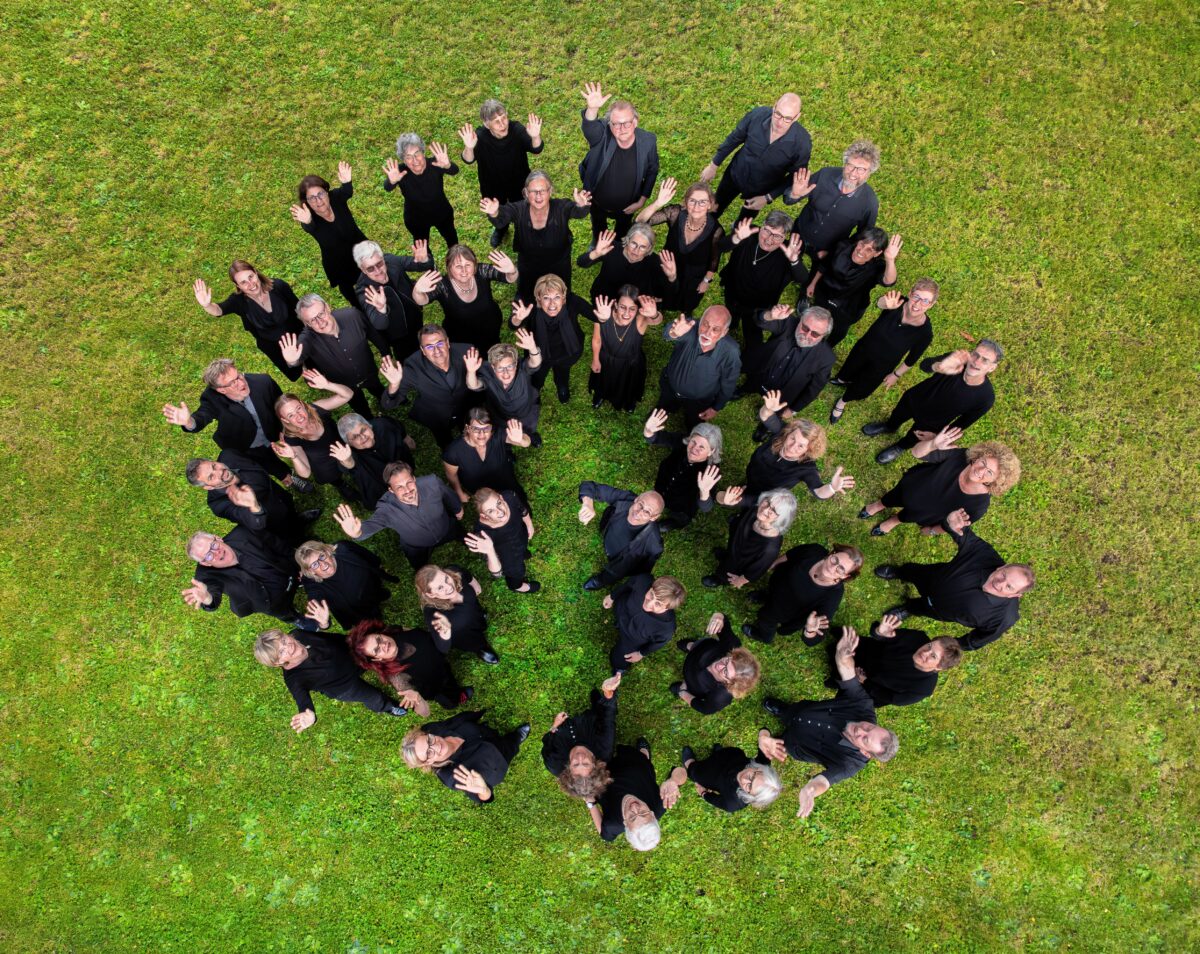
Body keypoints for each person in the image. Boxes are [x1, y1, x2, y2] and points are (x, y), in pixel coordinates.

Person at [759, 629, 898, 818]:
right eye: (869, 727)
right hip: (803, 711)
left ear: (866, 753)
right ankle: (781, 710)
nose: (861, 730)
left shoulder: (851, 764)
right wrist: (842, 655)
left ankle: (778, 736)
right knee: (790, 712)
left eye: (864, 739)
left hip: (798, 745)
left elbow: (824, 781)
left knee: (779, 743)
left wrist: (810, 790)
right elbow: (848, 673)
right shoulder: (863, 706)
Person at [874, 512, 1035, 650]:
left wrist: (953, 646)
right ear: (1002, 567)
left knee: (922, 608)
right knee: (911, 571)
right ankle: (898, 572)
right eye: (1003, 575)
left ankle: (908, 609)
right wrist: (952, 523)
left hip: (940, 610)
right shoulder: (984, 556)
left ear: (1016, 595)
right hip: (932, 576)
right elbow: (964, 534)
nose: (999, 583)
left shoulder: (1004, 618)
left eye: (1009, 587)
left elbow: (977, 640)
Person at [162, 358, 308, 491]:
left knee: (296, 447)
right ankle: (287, 477)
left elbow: (280, 404)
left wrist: (283, 428)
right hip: (246, 443)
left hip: (272, 429)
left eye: (238, 376)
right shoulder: (212, 399)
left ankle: (307, 463)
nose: (241, 383)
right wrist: (189, 422)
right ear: (221, 390)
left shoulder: (263, 382)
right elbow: (202, 416)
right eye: (232, 383)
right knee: (267, 462)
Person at [862, 340, 1003, 464]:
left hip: (932, 423)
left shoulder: (985, 398)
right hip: (915, 398)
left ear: (992, 367)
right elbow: (924, 365)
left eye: (985, 360)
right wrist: (939, 366)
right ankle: (890, 426)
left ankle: (900, 447)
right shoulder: (956, 360)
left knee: (914, 437)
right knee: (897, 415)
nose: (976, 362)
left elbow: (962, 423)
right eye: (975, 355)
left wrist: (937, 436)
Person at [860, 427, 1020, 536]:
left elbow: (955, 525)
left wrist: (933, 531)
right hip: (911, 487)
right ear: (978, 457)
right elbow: (916, 453)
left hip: (922, 513)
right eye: (983, 462)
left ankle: (894, 521)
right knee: (892, 497)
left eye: (989, 472)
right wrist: (932, 444)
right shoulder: (961, 456)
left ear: (995, 480)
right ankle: (879, 505)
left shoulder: (979, 505)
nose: (980, 470)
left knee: (907, 516)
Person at [253, 623, 407, 734]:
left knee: (376, 655)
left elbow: (328, 638)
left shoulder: (298, 634)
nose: (288, 647)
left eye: (284, 641)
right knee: (373, 697)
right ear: (278, 663)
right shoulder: (294, 679)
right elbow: (302, 701)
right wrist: (309, 715)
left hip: (347, 654)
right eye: (281, 652)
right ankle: (388, 707)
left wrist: (346, 638)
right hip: (345, 686)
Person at [829, 282, 935, 426]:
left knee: (862, 387)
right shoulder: (896, 301)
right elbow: (880, 303)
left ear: (931, 305)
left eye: (925, 301)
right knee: (849, 368)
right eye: (916, 296)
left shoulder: (925, 333)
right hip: (863, 349)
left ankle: (842, 401)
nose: (918, 303)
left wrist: (895, 375)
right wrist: (884, 304)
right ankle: (843, 380)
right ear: (910, 294)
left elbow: (911, 359)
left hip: (882, 366)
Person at [481, 171, 592, 301]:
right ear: (526, 193)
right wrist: (494, 213)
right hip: (528, 264)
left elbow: (577, 212)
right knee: (527, 295)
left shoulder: (561, 207)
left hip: (559, 263)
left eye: (543, 191)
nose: (538, 196)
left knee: (559, 296)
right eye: (533, 191)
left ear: (550, 191)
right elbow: (501, 220)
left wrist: (581, 205)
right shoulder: (519, 209)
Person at [701, 93, 812, 220]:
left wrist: (767, 197)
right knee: (714, 209)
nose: (780, 122)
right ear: (774, 106)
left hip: (761, 189)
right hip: (735, 174)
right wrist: (713, 165)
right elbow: (734, 139)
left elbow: (795, 177)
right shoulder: (757, 116)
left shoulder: (802, 143)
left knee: (743, 223)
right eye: (778, 114)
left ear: (797, 117)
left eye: (787, 118)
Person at [333, 461, 464, 569]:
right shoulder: (386, 509)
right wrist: (357, 533)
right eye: (399, 487)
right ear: (391, 490)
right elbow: (372, 524)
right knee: (420, 566)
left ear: (414, 479)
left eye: (409, 482)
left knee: (462, 534)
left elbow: (448, 494)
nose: (407, 490)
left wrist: (457, 508)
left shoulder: (432, 482)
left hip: (446, 527)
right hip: (416, 546)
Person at [280, 293, 386, 418]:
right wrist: (292, 361)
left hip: (369, 371)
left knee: (377, 388)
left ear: (327, 307)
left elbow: (372, 333)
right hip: (344, 384)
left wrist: (385, 353)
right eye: (312, 320)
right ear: (306, 324)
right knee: (359, 405)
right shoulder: (307, 338)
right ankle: (367, 417)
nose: (320, 322)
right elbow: (297, 357)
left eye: (321, 314)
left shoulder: (353, 316)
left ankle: (384, 399)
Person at [578, 82, 659, 242]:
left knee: (622, 231)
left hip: (628, 207)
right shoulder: (603, 136)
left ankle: (618, 246)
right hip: (597, 202)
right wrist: (592, 110)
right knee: (598, 227)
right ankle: (597, 244)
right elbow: (590, 130)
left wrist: (641, 201)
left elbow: (652, 170)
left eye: (626, 123)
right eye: (616, 124)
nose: (622, 128)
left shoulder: (648, 141)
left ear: (635, 122)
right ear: (610, 125)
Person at [182, 527, 310, 627]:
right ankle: (294, 618)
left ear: (218, 538)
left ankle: (299, 582)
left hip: (288, 575)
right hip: (268, 602)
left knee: (302, 579)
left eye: (213, 546)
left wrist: (297, 567)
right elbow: (212, 592)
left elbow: (280, 547)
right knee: (283, 612)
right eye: (208, 556)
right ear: (205, 563)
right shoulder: (205, 575)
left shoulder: (244, 533)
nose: (216, 552)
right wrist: (207, 598)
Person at [192, 262, 302, 378]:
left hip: (298, 334)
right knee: (296, 372)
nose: (251, 284)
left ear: (256, 272)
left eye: (251, 277)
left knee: (312, 362)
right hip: (273, 346)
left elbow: (299, 308)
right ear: (238, 286)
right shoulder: (238, 301)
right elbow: (219, 310)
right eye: (243, 282)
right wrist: (207, 305)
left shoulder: (279, 286)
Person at [725, 405, 855, 503]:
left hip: (767, 494)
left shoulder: (806, 468)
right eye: (793, 439)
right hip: (753, 471)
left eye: (801, 446)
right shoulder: (782, 431)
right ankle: (748, 486)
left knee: (752, 504)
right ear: (788, 433)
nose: (792, 447)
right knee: (750, 483)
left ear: (809, 449)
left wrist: (831, 488)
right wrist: (768, 408)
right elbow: (766, 416)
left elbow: (818, 491)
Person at [185, 451, 319, 546]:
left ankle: (298, 519)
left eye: (214, 466)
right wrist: (254, 506)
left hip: (280, 497)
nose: (220, 472)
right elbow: (255, 523)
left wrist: (282, 475)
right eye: (211, 477)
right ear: (208, 487)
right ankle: (303, 541)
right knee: (290, 535)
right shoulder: (218, 505)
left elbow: (259, 461)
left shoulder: (229, 455)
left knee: (291, 513)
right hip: (273, 521)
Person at [458, 101, 544, 247]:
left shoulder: (516, 129)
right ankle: (501, 228)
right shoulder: (480, 136)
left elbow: (536, 149)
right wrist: (469, 147)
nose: (502, 124)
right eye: (496, 121)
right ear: (487, 124)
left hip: (519, 182)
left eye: (503, 117)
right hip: (492, 186)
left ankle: (523, 230)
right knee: (496, 212)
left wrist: (535, 136)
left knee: (524, 211)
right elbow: (468, 159)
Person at [717, 212, 808, 347]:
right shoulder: (748, 234)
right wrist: (737, 237)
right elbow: (721, 246)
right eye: (767, 231)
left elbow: (802, 278)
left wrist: (794, 260)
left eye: (777, 236)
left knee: (753, 340)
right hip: (734, 293)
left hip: (758, 307)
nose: (769, 240)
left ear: (785, 237)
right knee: (730, 318)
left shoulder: (787, 252)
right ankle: (733, 325)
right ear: (762, 225)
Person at [743, 543, 863, 645]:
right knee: (770, 594)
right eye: (835, 560)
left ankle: (764, 636)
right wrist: (771, 566)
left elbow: (814, 639)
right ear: (832, 553)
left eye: (841, 569)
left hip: (782, 612)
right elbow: (790, 555)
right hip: (776, 587)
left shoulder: (833, 595)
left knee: (765, 618)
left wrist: (810, 630)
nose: (832, 568)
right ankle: (764, 597)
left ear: (845, 576)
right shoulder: (814, 551)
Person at [401, 711, 531, 804]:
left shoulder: (431, 729)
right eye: (429, 753)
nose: (436, 746)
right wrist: (484, 790)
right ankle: (516, 738)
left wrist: (475, 715)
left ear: (427, 734)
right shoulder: (451, 776)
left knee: (490, 732)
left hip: (482, 733)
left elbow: (453, 721)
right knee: (510, 745)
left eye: (429, 740)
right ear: (427, 763)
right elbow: (481, 796)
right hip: (496, 758)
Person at [784, 140, 881, 264]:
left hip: (828, 250)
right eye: (850, 165)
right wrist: (794, 195)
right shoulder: (824, 175)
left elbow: (863, 237)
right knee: (786, 265)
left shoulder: (870, 203)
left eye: (861, 169)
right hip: (799, 233)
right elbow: (788, 200)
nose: (853, 173)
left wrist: (839, 251)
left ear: (869, 173)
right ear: (845, 163)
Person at [348, 618, 473, 714]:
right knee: (448, 695)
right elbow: (425, 713)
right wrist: (417, 698)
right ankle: (455, 700)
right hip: (436, 684)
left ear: (380, 633)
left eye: (379, 639)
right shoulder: (397, 676)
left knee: (448, 674)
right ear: (376, 659)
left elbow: (412, 632)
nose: (384, 645)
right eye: (377, 650)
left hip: (440, 662)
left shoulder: (393, 630)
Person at [636, 178, 724, 313]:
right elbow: (640, 222)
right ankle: (661, 308)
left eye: (702, 202)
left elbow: (714, 259)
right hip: (668, 266)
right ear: (686, 202)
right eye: (692, 201)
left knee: (687, 301)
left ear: (710, 204)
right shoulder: (675, 213)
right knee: (664, 291)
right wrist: (658, 203)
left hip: (693, 277)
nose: (696, 206)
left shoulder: (716, 231)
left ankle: (684, 311)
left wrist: (706, 280)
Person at [380, 324, 475, 447]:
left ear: (447, 343)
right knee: (445, 441)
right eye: (429, 347)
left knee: (468, 431)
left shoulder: (467, 352)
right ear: (423, 350)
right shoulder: (413, 368)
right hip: (436, 416)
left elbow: (484, 377)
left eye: (440, 343)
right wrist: (394, 385)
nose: (436, 351)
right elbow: (387, 404)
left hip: (465, 407)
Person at [510, 274, 595, 404]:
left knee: (563, 372)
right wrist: (518, 319)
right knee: (537, 377)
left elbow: (594, 315)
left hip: (566, 351)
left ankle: (562, 386)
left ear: (563, 297)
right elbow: (512, 325)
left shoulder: (572, 301)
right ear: (539, 298)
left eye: (557, 297)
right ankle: (535, 392)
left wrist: (603, 316)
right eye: (546, 298)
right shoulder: (531, 307)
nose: (552, 304)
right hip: (539, 353)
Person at [806, 229, 900, 347]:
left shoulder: (876, 267)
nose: (861, 250)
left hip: (848, 308)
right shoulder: (842, 247)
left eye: (869, 250)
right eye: (862, 244)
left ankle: (824, 348)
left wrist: (890, 260)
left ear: (877, 254)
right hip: (825, 293)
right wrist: (813, 284)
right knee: (817, 317)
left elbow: (889, 281)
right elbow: (824, 265)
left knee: (837, 331)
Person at [290, 164, 367, 306]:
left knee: (376, 274)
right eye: (312, 198)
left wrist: (347, 182)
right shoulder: (310, 218)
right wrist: (307, 221)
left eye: (320, 194)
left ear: (326, 191)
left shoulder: (335, 197)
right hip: (339, 262)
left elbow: (347, 192)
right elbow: (309, 226)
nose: (318, 201)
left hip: (360, 248)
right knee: (350, 291)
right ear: (306, 202)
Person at [741, 305, 835, 420]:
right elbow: (759, 320)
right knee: (750, 384)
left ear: (823, 336)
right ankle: (746, 389)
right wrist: (770, 315)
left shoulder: (826, 359)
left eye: (815, 334)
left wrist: (793, 410)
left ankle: (765, 421)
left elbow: (813, 389)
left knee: (771, 417)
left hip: (782, 394)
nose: (807, 335)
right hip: (760, 374)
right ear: (800, 320)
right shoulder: (789, 322)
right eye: (805, 328)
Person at [850, 613, 964, 707]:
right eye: (929, 646)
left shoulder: (923, 688)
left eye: (933, 656)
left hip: (868, 682)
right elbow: (882, 636)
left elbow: (893, 698)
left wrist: (865, 682)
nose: (925, 652)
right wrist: (879, 632)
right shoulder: (917, 638)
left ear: (938, 667)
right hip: (864, 651)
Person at [352, 239, 438, 362]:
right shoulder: (364, 290)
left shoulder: (391, 260)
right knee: (408, 360)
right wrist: (381, 309)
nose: (378, 271)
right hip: (398, 335)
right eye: (370, 269)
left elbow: (422, 264)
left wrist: (424, 260)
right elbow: (379, 324)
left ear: (383, 258)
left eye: (379, 264)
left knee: (422, 342)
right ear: (363, 269)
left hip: (415, 317)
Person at [591, 738, 685, 850]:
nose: (634, 807)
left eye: (632, 817)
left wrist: (590, 802)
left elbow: (604, 834)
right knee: (640, 759)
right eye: (643, 813)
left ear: (625, 824)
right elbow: (681, 772)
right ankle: (644, 755)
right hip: (633, 765)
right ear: (652, 815)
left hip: (601, 777)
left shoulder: (614, 825)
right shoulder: (660, 805)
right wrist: (674, 780)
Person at [657, 307, 742, 427]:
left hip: (699, 402)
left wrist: (716, 407)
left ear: (724, 332)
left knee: (693, 424)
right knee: (664, 406)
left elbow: (729, 383)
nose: (707, 333)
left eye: (716, 329)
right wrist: (674, 333)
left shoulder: (731, 352)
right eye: (705, 324)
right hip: (670, 388)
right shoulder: (689, 327)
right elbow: (667, 333)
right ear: (700, 320)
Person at [543, 674, 622, 801]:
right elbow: (608, 717)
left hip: (563, 730)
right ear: (595, 764)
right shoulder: (604, 749)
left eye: (575, 764)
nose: (579, 757)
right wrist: (608, 693)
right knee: (599, 709)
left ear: (568, 769)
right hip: (588, 723)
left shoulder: (554, 763)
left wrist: (555, 726)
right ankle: (596, 703)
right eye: (585, 763)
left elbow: (547, 743)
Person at [425, 245, 518, 353]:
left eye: (468, 265)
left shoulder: (482, 271)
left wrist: (512, 271)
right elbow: (422, 300)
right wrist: (417, 291)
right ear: (449, 268)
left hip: (490, 327)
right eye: (458, 266)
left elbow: (510, 278)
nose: (464, 271)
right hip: (460, 336)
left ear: (474, 265)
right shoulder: (442, 285)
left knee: (491, 352)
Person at [641, 409, 722, 531]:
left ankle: (678, 521)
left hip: (682, 505)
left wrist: (704, 491)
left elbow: (706, 507)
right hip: (662, 486)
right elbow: (656, 438)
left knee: (681, 516)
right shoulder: (683, 442)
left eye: (702, 447)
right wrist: (648, 431)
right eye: (693, 442)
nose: (694, 449)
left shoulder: (711, 471)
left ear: (711, 451)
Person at [577, 483, 665, 590]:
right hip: (608, 533)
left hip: (620, 562)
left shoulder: (654, 545)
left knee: (615, 573)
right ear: (636, 499)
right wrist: (587, 503)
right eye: (640, 505)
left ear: (654, 517)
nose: (638, 513)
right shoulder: (626, 498)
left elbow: (643, 568)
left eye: (647, 512)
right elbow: (589, 486)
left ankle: (600, 581)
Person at [670, 612, 760, 715]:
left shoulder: (722, 696)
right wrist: (718, 616)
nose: (719, 665)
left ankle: (683, 687)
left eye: (725, 672)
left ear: (729, 683)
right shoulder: (733, 646)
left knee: (685, 686)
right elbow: (724, 621)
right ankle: (691, 646)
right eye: (726, 661)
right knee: (695, 646)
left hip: (691, 683)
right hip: (702, 649)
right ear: (732, 655)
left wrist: (683, 693)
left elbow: (706, 709)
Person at [589, 287, 662, 412]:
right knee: (604, 380)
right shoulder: (603, 314)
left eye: (632, 309)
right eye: (623, 307)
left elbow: (656, 321)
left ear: (638, 309)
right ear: (616, 304)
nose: (626, 314)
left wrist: (654, 314)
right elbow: (597, 339)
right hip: (606, 359)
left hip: (630, 364)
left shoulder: (640, 320)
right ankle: (601, 394)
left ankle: (629, 401)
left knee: (629, 385)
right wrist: (595, 359)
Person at [704, 489, 797, 589]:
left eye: (774, 510)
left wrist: (740, 580)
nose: (765, 510)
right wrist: (724, 498)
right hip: (735, 545)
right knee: (730, 552)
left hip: (739, 563)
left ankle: (720, 579)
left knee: (727, 571)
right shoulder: (756, 508)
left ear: (781, 518)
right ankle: (726, 556)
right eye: (768, 502)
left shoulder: (770, 548)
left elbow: (757, 570)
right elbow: (732, 500)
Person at [271, 387, 357, 494]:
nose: (299, 416)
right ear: (285, 420)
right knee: (334, 479)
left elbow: (348, 395)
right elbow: (306, 473)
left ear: (302, 404)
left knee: (355, 467)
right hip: (325, 468)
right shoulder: (291, 438)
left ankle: (357, 475)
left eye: (298, 408)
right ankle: (341, 485)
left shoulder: (316, 409)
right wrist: (294, 457)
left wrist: (327, 384)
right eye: (291, 415)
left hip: (344, 450)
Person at [295, 539, 395, 629]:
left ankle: (380, 595)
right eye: (314, 564)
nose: (322, 564)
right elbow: (315, 601)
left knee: (379, 593)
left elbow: (366, 555)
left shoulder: (344, 548)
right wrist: (324, 623)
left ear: (327, 551)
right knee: (374, 621)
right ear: (311, 571)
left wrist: (377, 564)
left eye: (321, 556)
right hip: (359, 611)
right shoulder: (312, 583)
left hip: (373, 586)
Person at [442, 407, 532, 505]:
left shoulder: (497, 434)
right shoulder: (453, 452)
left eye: (486, 428)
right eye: (476, 429)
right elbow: (451, 475)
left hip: (507, 484)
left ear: (491, 428)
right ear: (468, 428)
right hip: (482, 495)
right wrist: (459, 493)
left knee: (520, 505)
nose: (482, 434)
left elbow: (526, 442)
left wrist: (520, 439)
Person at [384, 134, 460, 248]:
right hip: (416, 219)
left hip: (442, 212)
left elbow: (455, 171)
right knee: (422, 249)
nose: (415, 161)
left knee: (452, 241)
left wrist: (447, 165)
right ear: (404, 160)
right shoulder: (400, 172)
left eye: (417, 154)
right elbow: (387, 187)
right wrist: (392, 181)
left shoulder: (435, 163)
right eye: (408, 157)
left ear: (423, 153)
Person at [414, 563, 499, 664]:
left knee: (478, 618)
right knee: (471, 640)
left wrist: (474, 584)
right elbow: (443, 648)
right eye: (440, 587)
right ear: (431, 594)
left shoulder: (454, 572)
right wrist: (445, 635)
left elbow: (466, 574)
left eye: (446, 578)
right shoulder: (432, 612)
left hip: (475, 612)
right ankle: (481, 648)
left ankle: (480, 620)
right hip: (464, 634)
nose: (449, 586)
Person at [465, 336, 544, 443]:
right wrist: (471, 371)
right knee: (504, 435)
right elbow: (473, 385)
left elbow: (535, 363)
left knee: (529, 428)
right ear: (493, 367)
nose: (506, 373)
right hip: (501, 415)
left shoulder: (522, 368)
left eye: (509, 367)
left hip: (525, 411)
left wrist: (533, 349)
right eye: (500, 368)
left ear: (515, 364)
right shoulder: (487, 372)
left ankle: (531, 435)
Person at [603, 574, 686, 675]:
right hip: (622, 611)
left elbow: (658, 643)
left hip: (632, 639)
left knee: (619, 659)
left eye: (658, 604)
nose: (649, 604)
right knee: (618, 614)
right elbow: (627, 585)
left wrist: (641, 653)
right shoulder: (642, 580)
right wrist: (612, 596)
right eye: (651, 594)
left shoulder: (666, 628)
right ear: (651, 587)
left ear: (667, 608)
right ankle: (618, 624)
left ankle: (619, 667)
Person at [328, 413, 416, 506]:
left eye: (363, 430)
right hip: (381, 483)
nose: (363, 437)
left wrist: (406, 438)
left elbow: (398, 427)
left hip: (403, 462)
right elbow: (347, 466)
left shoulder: (383, 425)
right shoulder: (350, 453)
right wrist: (348, 460)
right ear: (348, 443)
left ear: (369, 425)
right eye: (355, 437)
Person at [466, 487, 539, 594]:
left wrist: (529, 525)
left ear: (501, 497)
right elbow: (497, 574)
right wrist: (490, 551)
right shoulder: (481, 534)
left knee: (523, 549)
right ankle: (516, 586)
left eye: (499, 503)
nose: (500, 511)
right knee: (517, 574)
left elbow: (522, 510)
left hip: (521, 537)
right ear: (484, 516)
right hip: (508, 559)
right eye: (491, 511)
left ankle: (523, 554)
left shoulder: (510, 496)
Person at [680, 737, 784, 813]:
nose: (744, 779)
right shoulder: (763, 764)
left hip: (713, 777)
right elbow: (763, 740)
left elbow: (716, 800)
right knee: (720, 754)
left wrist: (704, 793)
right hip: (729, 756)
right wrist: (763, 735)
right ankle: (716, 754)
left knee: (697, 773)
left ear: (750, 795)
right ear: (759, 769)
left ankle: (690, 765)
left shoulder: (733, 803)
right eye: (752, 777)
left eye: (749, 787)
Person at [576, 225, 675, 302]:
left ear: (649, 248)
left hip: (632, 307)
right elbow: (581, 263)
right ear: (627, 240)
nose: (636, 250)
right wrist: (596, 253)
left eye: (642, 247)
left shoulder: (654, 261)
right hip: (604, 298)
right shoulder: (612, 248)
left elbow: (666, 294)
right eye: (634, 243)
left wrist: (672, 277)